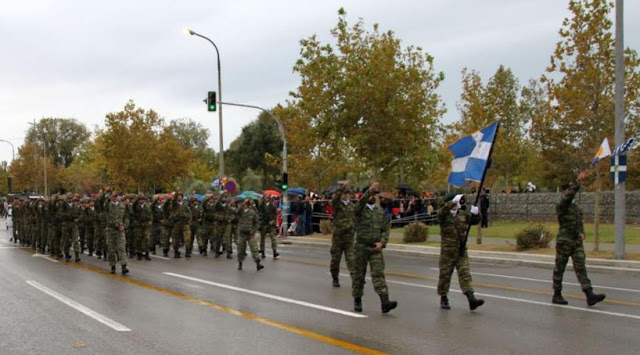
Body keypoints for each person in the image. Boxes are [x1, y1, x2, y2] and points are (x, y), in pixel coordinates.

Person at [552, 171, 606, 306]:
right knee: (560, 268)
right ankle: (557, 294)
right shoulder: (562, 205)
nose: (571, 193)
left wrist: (582, 232)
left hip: (576, 241)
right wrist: (578, 182)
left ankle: (589, 294)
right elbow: (570, 195)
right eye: (569, 190)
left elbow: (579, 221)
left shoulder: (575, 208)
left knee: (581, 267)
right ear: (565, 192)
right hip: (564, 241)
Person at [352, 182, 397, 314]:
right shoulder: (359, 209)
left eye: (374, 194)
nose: (373, 196)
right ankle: (357, 300)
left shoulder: (379, 211)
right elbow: (359, 205)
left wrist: (382, 243)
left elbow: (385, 229)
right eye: (371, 194)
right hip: (361, 247)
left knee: (378, 274)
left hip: (375, 248)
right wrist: (368, 191)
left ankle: (385, 302)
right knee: (358, 275)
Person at [437, 193, 484, 311]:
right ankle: (444, 298)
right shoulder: (444, 215)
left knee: (465, 274)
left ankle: (471, 299)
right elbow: (441, 213)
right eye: (456, 202)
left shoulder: (462, 214)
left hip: (461, 250)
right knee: (445, 276)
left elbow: (474, 221)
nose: (458, 204)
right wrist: (452, 202)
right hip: (448, 252)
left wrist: (476, 213)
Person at [330, 179, 355, 288]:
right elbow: (335, 198)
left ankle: (355, 280)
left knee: (351, 260)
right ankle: (335, 278)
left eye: (348, 193)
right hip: (338, 238)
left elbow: (356, 218)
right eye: (344, 193)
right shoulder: (337, 204)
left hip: (349, 238)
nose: (346, 195)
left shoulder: (352, 206)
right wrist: (341, 188)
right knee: (335, 260)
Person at [100, 188, 129, 275]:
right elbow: (100, 202)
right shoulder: (107, 206)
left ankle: (124, 266)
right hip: (110, 230)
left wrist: (124, 226)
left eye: (117, 196)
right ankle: (112, 266)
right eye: (114, 196)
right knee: (111, 250)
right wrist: (105, 193)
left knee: (121, 248)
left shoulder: (123, 206)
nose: (116, 197)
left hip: (120, 230)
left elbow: (127, 217)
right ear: (110, 197)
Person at [236, 198, 264, 271]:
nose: (244, 206)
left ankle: (258, 263)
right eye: (243, 204)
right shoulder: (241, 211)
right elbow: (237, 212)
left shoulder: (252, 212)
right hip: (242, 233)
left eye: (245, 204)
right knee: (241, 250)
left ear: (248, 205)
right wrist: (243, 203)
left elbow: (257, 222)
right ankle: (240, 263)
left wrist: (254, 230)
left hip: (250, 234)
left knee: (254, 249)